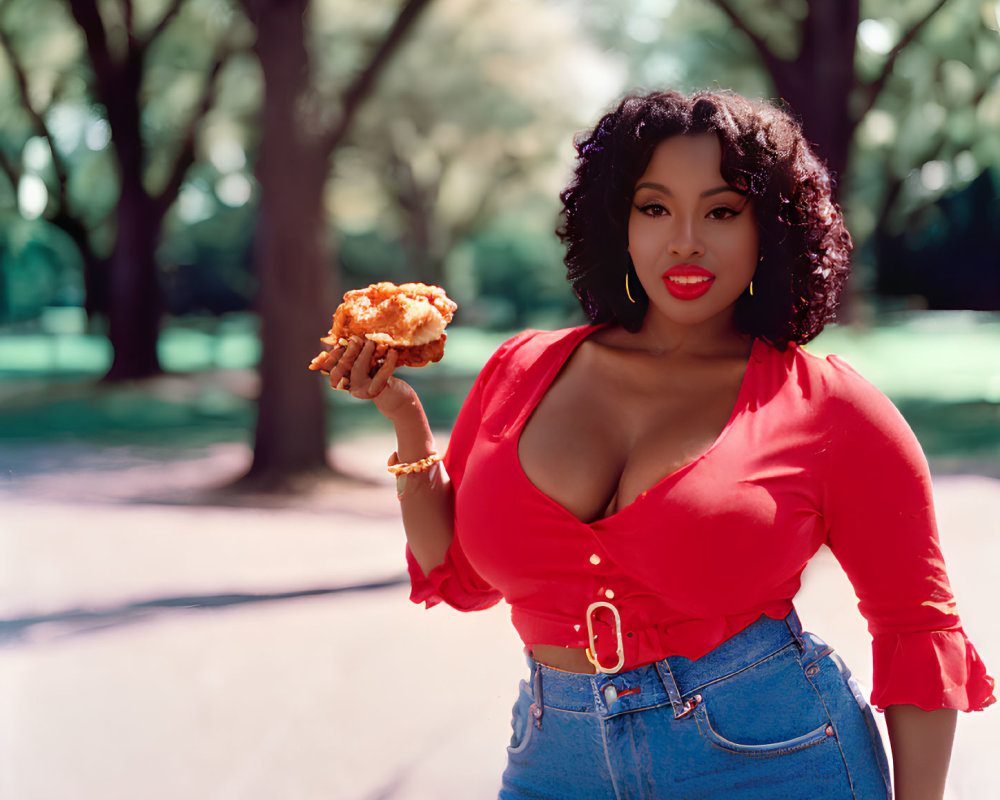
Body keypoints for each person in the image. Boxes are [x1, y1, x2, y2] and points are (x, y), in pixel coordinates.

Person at [316, 90, 995, 799]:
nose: (685, 241)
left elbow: (916, 630)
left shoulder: (831, 407)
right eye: (655, 207)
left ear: (772, 230)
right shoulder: (520, 372)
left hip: (775, 759)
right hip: (556, 763)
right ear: (619, 223)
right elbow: (454, 571)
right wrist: (405, 420)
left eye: (723, 211)